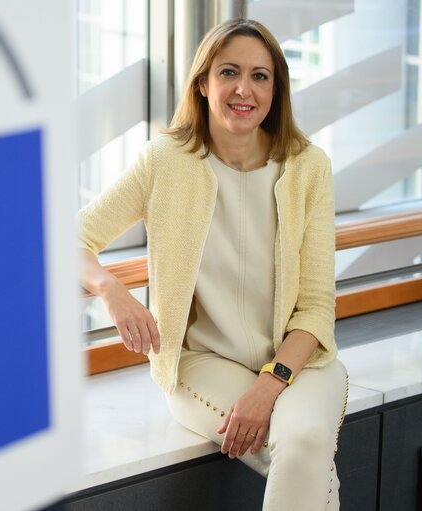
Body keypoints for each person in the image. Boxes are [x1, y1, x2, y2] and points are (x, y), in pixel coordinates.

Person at [77, 18, 348, 510]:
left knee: (306, 443)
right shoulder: (164, 161)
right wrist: (112, 291)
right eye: (229, 72)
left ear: (276, 88)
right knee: (305, 457)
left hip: (299, 361)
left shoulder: (309, 168)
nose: (244, 89)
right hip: (202, 365)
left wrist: (269, 385)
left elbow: (315, 307)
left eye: (260, 76)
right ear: (203, 83)